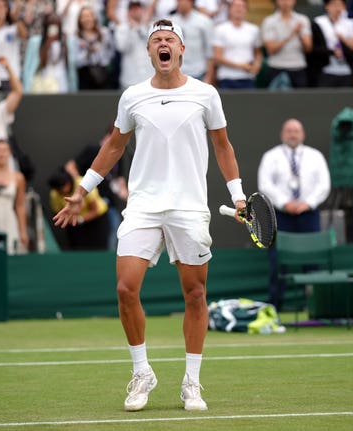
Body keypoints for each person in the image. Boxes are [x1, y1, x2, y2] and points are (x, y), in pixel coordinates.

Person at [53, 19, 246, 412]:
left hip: (189, 206)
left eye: (169, 40)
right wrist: (81, 191)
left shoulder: (206, 94)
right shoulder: (133, 96)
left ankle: (192, 382)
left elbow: (223, 147)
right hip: (142, 205)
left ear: (180, 50)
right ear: (148, 51)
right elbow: (113, 148)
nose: (163, 44)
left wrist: (238, 195)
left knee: (195, 293)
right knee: (126, 287)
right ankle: (142, 372)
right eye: (156, 40)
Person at [257, 118, 331, 309]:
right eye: (289, 131)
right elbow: (265, 184)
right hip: (281, 216)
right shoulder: (270, 156)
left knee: (312, 261)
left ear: (303, 134)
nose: (293, 134)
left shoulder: (315, 156)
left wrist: (307, 203)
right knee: (277, 262)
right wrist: (285, 203)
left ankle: (316, 305)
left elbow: (323, 185)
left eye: (296, 131)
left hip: (308, 214)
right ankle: (275, 306)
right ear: (282, 134)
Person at [48, 167, 110, 249]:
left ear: (69, 181)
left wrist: (80, 220)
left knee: (98, 249)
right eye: (59, 188)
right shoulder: (54, 194)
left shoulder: (83, 184)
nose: (62, 190)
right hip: (74, 225)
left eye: (63, 185)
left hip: (96, 220)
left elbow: (95, 210)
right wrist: (69, 219)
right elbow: (58, 211)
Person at [261, 0, 312, 89]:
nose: (285, 2)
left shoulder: (302, 20)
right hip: (276, 67)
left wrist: (299, 34)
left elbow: (308, 48)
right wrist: (291, 34)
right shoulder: (269, 21)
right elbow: (271, 49)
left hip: (298, 67)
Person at [212, 0, 263, 89]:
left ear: (246, 10)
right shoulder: (220, 29)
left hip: (248, 78)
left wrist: (257, 64)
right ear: (230, 10)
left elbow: (258, 52)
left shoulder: (253, 29)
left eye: (242, 6)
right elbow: (217, 57)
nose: (239, 9)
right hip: (226, 77)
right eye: (235, 6)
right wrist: (241, 66)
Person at [315, 0, 353, 87]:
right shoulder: (319, 22)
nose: (337, 8)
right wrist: (332, 52)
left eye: (340, 5)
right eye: (334, 5)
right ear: (327, 6)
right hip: (325, 69)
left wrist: (343, 38)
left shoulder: (349, 23)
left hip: (345, 69)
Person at [170, 0, 215, 84]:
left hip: (198, 72)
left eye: (181, 1)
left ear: (190, 2)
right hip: (176, 73)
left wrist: (209, 77)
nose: (179, 3)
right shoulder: (171, 22)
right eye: (177, 1)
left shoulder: (204, 21)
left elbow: (210, 51)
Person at [72, 6, 115, 90]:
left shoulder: (104, 33)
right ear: (80, 20)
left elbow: (111, 52)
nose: (87, 19)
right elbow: (76, 60)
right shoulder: (76, 37)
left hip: (102, 74)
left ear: (94, 17)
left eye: (89, 16)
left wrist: (101, 57)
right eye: (84, 17)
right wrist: (87, 52)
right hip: (85, 74)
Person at [114, 1, 155, 89]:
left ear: (143, 10)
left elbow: (154, 45)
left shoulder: (151, 27)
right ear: (128, 12)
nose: (135, 11)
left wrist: (143, 26)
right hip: (130, 79)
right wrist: (131, 29)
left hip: (149, 77)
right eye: (132, 9)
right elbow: (122, 47)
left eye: (138, 8)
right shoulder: (121, 28)